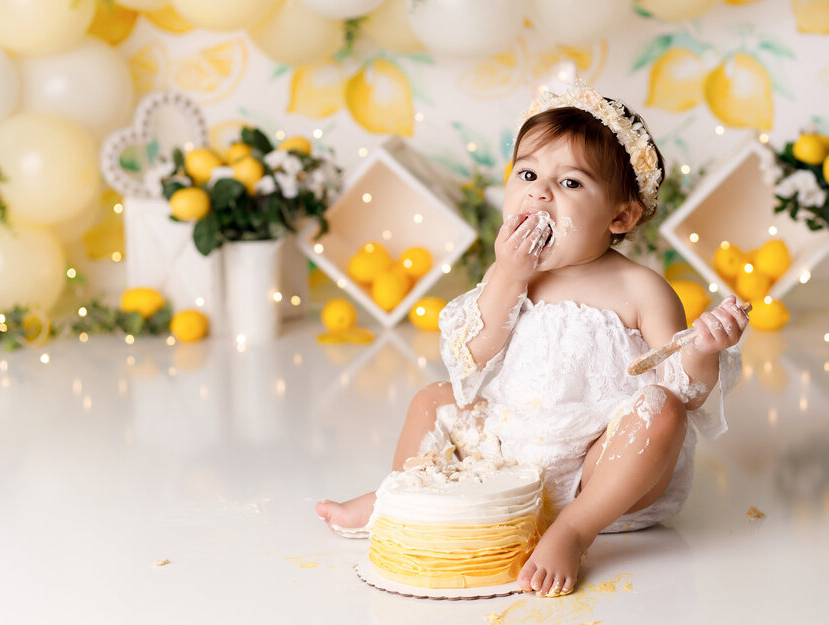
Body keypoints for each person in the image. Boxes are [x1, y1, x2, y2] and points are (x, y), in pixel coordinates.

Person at [317, 82, 748, 597]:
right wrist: (507, 275)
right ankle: (409, 496)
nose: (539, 193)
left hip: (603, 475)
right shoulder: (510, 278)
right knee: (432, 399)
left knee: (661, 411)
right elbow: (470, 357)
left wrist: (701, 350)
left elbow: (686, 391)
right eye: (527, 174)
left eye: (570, 183)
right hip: (506, 458)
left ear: (621, 216)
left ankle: (571, 530)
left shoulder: (641, 289)